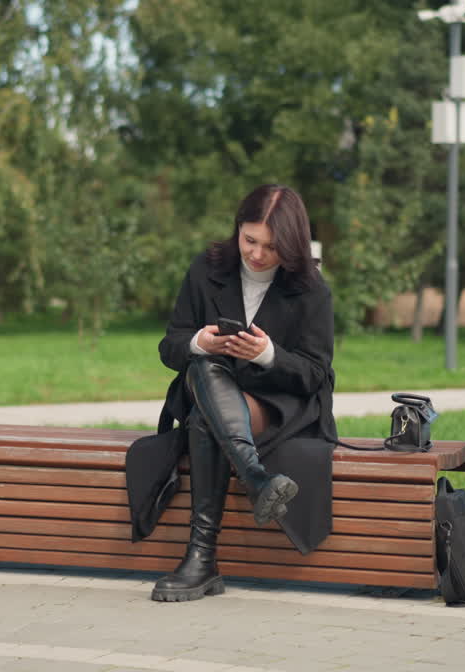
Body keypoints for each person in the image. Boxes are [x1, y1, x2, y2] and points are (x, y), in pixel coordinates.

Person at [129, 183, 337, 603]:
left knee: (206, 414)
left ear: (292, 244)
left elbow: (317, 374)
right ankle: (258, 480)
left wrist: (267, 355)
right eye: (250, 240)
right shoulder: (206, 269)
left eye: (271, 247)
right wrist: (199, 343)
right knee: (205, 372)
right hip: (208, 392)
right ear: (237, 229)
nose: (257, 255)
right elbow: (170, 346)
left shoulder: (312, 289)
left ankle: (201, 560)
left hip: (277, 405)